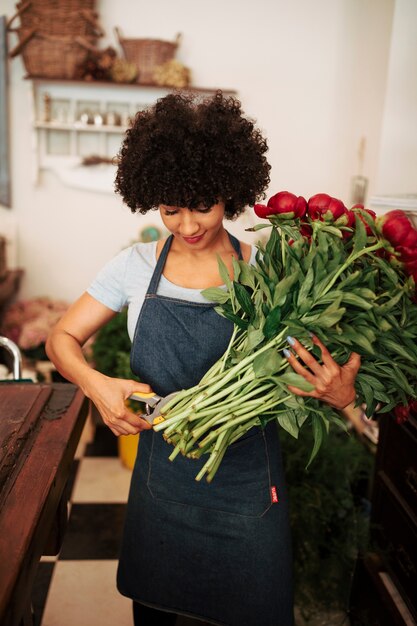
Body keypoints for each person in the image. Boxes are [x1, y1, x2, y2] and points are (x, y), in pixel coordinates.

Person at [46, 92, 361, 626]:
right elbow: (60, 340)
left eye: (203, 205)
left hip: (248, 488)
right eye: (170, 209)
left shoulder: (268, 272)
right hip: (161, 483)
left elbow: (306, 369)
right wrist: (97, 386)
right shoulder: (134, 267)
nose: (187, 225)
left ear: (230, 192)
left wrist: (341, 394)